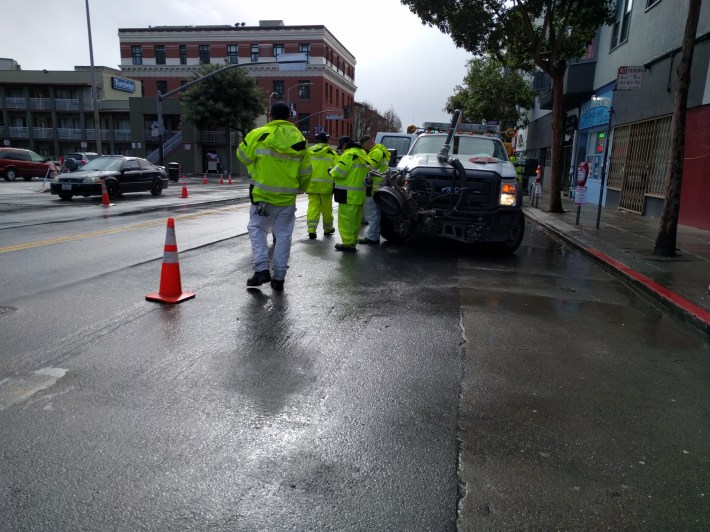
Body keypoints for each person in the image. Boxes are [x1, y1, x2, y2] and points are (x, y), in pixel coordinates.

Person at [236, 101, 312, 291]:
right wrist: (301, 188)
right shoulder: (300, 139)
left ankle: (261, 269)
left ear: (270, 115)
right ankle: (279, 278)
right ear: (289, 117)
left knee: (256, 229)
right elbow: (306, 171)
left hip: (262, 197)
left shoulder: (258, 134)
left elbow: (242, 156)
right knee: (283, 236)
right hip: (287, 199)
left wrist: (256, 165)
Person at [329, 136, 373, 252]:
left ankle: (348, 243)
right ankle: (352, 241)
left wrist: (331, 171)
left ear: (344, 145)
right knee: (356, 220)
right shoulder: (363, 154)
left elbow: (339, 173)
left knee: (346, 220)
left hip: (346, 194)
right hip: (359, 194)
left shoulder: (348, 155)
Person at [358, 135, 390, 245]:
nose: (364, 149)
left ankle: (372, 237)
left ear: (367, 143)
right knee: (375, 213)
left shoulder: (375, 152)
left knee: (372, 214)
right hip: (379, 185)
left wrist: (361, 160)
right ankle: (374, 236)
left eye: (363, 146)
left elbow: (370, 167)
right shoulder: (381, 150)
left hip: (374, 186)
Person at [306, 131, 337, 239]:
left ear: (316, 140)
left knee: (313, 207)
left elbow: (304, 167)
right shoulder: (332, 153)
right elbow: (338, 169)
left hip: (311, 185)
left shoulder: (309, 152)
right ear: (327, 140)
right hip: (326, 187)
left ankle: (311, 229)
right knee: (327, 208)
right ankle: (328, 229)